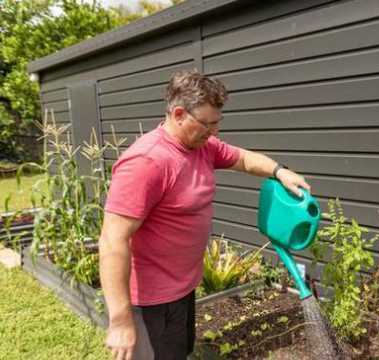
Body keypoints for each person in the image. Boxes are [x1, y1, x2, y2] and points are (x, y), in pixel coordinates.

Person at [98, 69, 310, 360]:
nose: (214, 132)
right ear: (179, 114)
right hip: (149, 302)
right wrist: (120, 319)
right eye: (207, 124)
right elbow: (112, 241)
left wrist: (279, 171)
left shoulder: (202, 146)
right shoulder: (147, 162)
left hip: (182, 289)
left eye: (217, 123)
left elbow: (245, 159)